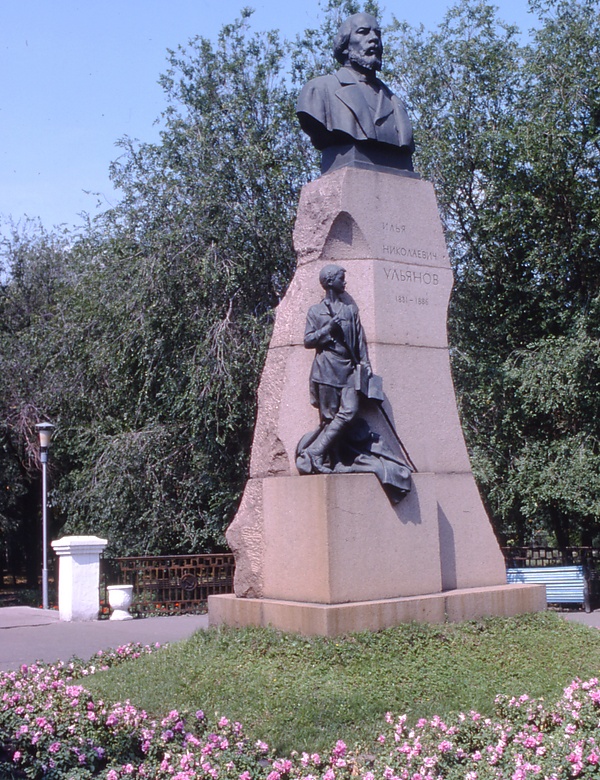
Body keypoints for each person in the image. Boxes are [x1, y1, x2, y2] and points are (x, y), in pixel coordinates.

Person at [296, 12, 414, 166]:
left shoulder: (395, 103)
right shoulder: (319, 90)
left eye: (377, 34)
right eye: (363, 32)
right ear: (345, 45)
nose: (374, 38)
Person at [299, 264, 372, 473]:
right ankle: (335, 461)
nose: (344, 282)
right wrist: (328, 328)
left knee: (349, 411)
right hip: (326, 369)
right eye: (341, 278)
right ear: (330, 281)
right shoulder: (316, 311)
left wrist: (365, 363)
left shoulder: (350, 310)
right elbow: (308, 341)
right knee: (329, 418)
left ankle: (315, 451)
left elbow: (360, 340)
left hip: (348, 369)